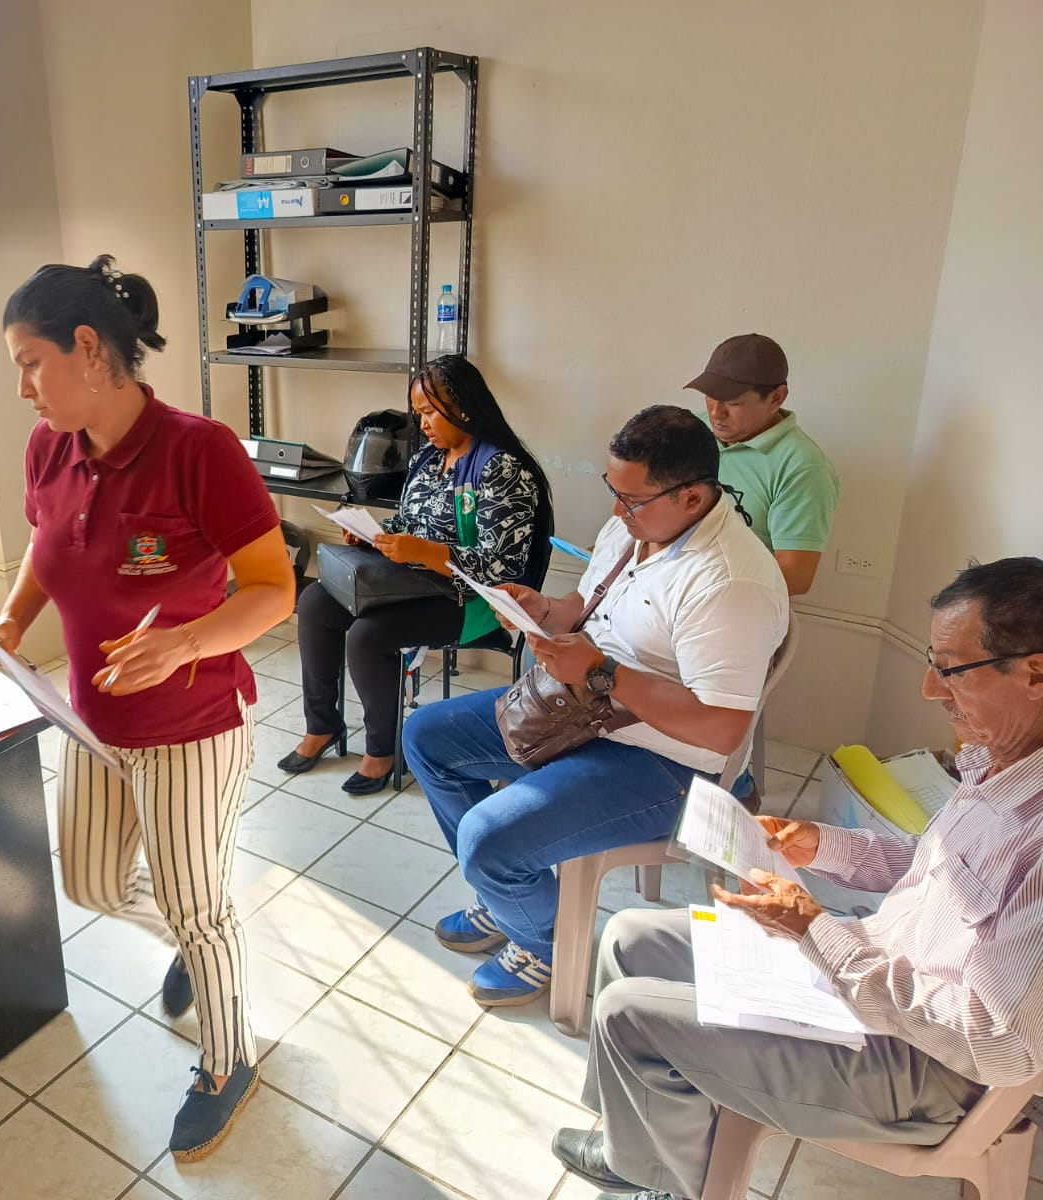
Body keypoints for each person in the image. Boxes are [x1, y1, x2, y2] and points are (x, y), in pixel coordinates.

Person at [552, 556, 1043, 1200]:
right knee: (629, 937)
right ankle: (637, 1152)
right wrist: (823, 846)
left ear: (1035, 673)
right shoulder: (999, 762)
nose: (929, 688)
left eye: (951, 668)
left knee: (629, 1015)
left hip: (925, 1064)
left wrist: (815, 931)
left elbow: (1000, 1044)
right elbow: (942, 869)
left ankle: (664, 1180)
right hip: (871, 976)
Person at [0, 254, 295, 1161]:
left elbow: (273, 590)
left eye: (30, 362)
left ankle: (228, 1060)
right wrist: (12, 619)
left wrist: (186, 643)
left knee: (199, 904)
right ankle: (199, 947)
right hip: (92, 721)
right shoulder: (49, 447)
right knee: (90, 882)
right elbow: (46, 543)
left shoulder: (200, 450)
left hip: (193, 723)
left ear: (88, 349)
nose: (22, 388)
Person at [403, 405, 789, 1006]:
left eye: (631, 500)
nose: (617, 512)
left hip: (668, 762)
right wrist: (543, 609)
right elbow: (585, 609)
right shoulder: (636, 527)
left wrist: (600, 672)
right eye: (614, 491)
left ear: (691, 497)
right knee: (426, 738)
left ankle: (543, 940)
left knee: (486, 839)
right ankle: (511, 897)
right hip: (582, 711)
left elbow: (720, 730)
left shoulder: (730, 583)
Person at [278, 355, 553, 794]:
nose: (422, 424)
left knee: (369, 635)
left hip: (474, 601)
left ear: (463, 407)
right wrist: (376, 536)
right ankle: (322, 725)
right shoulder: (428, 458)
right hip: (410, 580)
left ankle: (383, 749)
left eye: (429, 412)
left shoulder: (502, 469)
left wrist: (427, 552)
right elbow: (409, 521)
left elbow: (506, 568)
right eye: (418, 413)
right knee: (314, 602)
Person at [684, 333, 839, 596]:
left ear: (777, 398)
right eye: (710, 397)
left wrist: (694, 589)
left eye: (733, 403)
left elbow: (795, 576)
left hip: (728, 602)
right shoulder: (690, 430)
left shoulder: (802, 467)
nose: (716, 413)